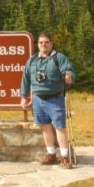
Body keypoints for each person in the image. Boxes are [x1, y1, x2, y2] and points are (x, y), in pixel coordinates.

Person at [20, 31, 76, 169]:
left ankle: (64, 157)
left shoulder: (59, 58)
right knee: (45, 127)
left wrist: (69, 76)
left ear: (51, 43)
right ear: (38, 44)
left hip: (55, 98)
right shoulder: (32, 60)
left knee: (60, 127)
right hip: (38, 100)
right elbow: (25, 79)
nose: (43, 45)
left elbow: (68, 70)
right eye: (41, 42)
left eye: (46, 42)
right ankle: (51, 154)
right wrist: (23, 97)